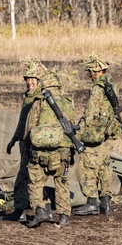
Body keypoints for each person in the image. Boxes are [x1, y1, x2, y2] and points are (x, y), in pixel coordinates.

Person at [23, 70, 77, 229]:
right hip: (62, 153)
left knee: (35, 183)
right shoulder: (68, 102)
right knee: (62, 183)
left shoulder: (39, 101)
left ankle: (39, 210)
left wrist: (28, 145)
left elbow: (29, 127)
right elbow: (71, 128)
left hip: (41, 154)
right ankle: (64, 217)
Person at [72, 54, 122, 216]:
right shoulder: (112, 86)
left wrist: (78, 132)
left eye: (90, 71)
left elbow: (90, 113)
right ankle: (106, 201)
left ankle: (92, 202)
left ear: (95, 72)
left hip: (94, 134)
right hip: (106, 132)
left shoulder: (97, 88)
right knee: (104, 166)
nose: (89, 74)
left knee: (85, 168)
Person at [2, 60, 48, 222]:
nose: (29, 82)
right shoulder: (28, 97)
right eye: (27, 79)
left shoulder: (42, 99)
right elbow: (23, 122)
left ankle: (21, 210)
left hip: (34, 145)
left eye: (33, 78)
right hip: (25, 143)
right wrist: (14, 138)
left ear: (40, 79)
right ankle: (43, 209)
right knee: (33, 178)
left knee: (26, 178)